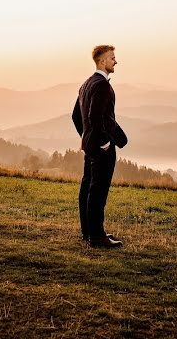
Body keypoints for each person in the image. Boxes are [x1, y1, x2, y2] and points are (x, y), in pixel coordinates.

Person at [72, 45, 128, 248]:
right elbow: (94, 117)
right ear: (102, 61)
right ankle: (96, 236)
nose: (116, 61)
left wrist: (87, 138)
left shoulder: (86, 84)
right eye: (112, 58)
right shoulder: (102, 85)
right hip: (101, 148)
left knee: (88, 187)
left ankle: (88, 232)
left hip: (90, 146)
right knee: (98, 190)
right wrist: (103, 141)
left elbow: (77, 117)